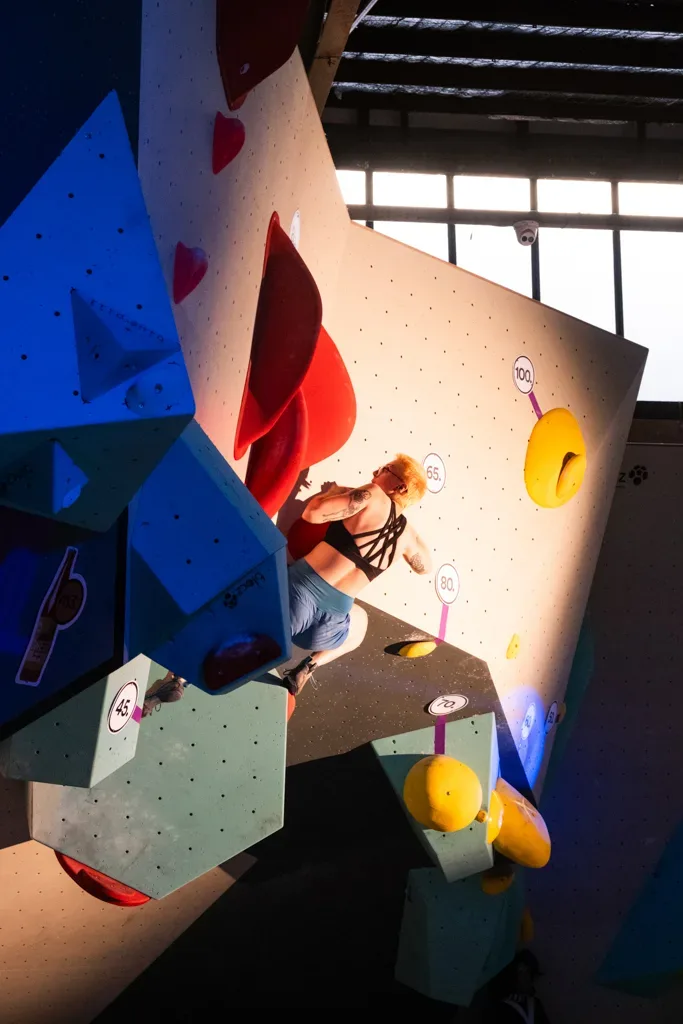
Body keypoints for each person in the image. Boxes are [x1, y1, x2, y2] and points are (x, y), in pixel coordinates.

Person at [282, 454, 432, 696]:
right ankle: (309, 666)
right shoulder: (407, 537)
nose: (375, 472)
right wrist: (408, 525)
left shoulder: (373, 494)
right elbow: (425, 567)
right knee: (360, 623)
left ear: (400, 487)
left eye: (385, 469)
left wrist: (334, 493)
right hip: (325, 630)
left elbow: (313, 513)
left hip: (297, 598)